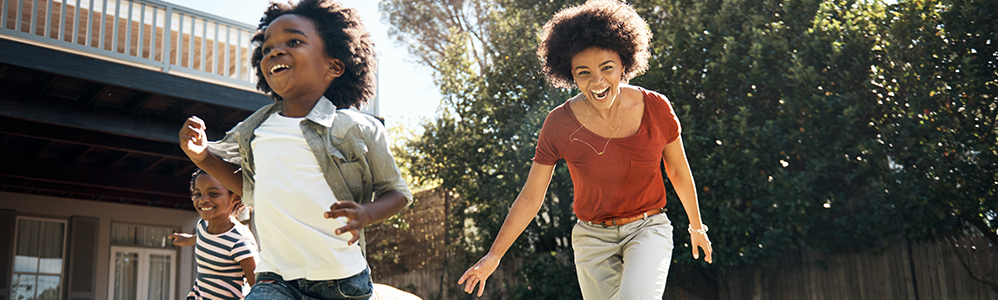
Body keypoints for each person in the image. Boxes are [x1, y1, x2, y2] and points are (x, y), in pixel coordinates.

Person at [458, 0, 713, 298]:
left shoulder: (656, 108)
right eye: (583, 73)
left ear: (624, 65)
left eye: (607, 68)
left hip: (647, 227)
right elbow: (531, 195)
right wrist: (494, 255)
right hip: (592, 237)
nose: (597, 81)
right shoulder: (559, 124)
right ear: (570, 75)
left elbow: (678, 170)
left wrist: (697, 227)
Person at [177, 0, 413, 299]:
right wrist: (202, 156)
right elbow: (254, 191)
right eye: (267, 48)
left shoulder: (358, 129)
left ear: (334, 65)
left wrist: (367, 213)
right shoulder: (255, 131)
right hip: (276, 278)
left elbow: (398, 193)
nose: (275, 50)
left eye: (294, 41)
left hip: (341, 280)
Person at [170, 169, 259, 300]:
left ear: (235, 197)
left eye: (213, 193)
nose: (203, 200)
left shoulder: (240, 241)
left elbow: (258, 286)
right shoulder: (202, 225)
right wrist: (188, 239)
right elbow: (205, 238)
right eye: (198, 194)